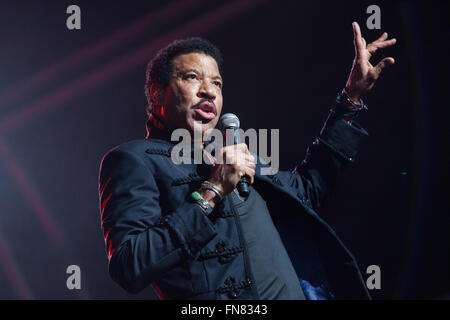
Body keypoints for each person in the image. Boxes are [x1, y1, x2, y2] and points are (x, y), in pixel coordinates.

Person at [98, 22, 396, 299]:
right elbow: (128, 265)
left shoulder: (234, 153)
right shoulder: (133, 160)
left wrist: (350, 100)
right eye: (192, 77)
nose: (209, 91)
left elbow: (306, 189)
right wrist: (212, 190)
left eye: (217, 83)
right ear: (157, 93)